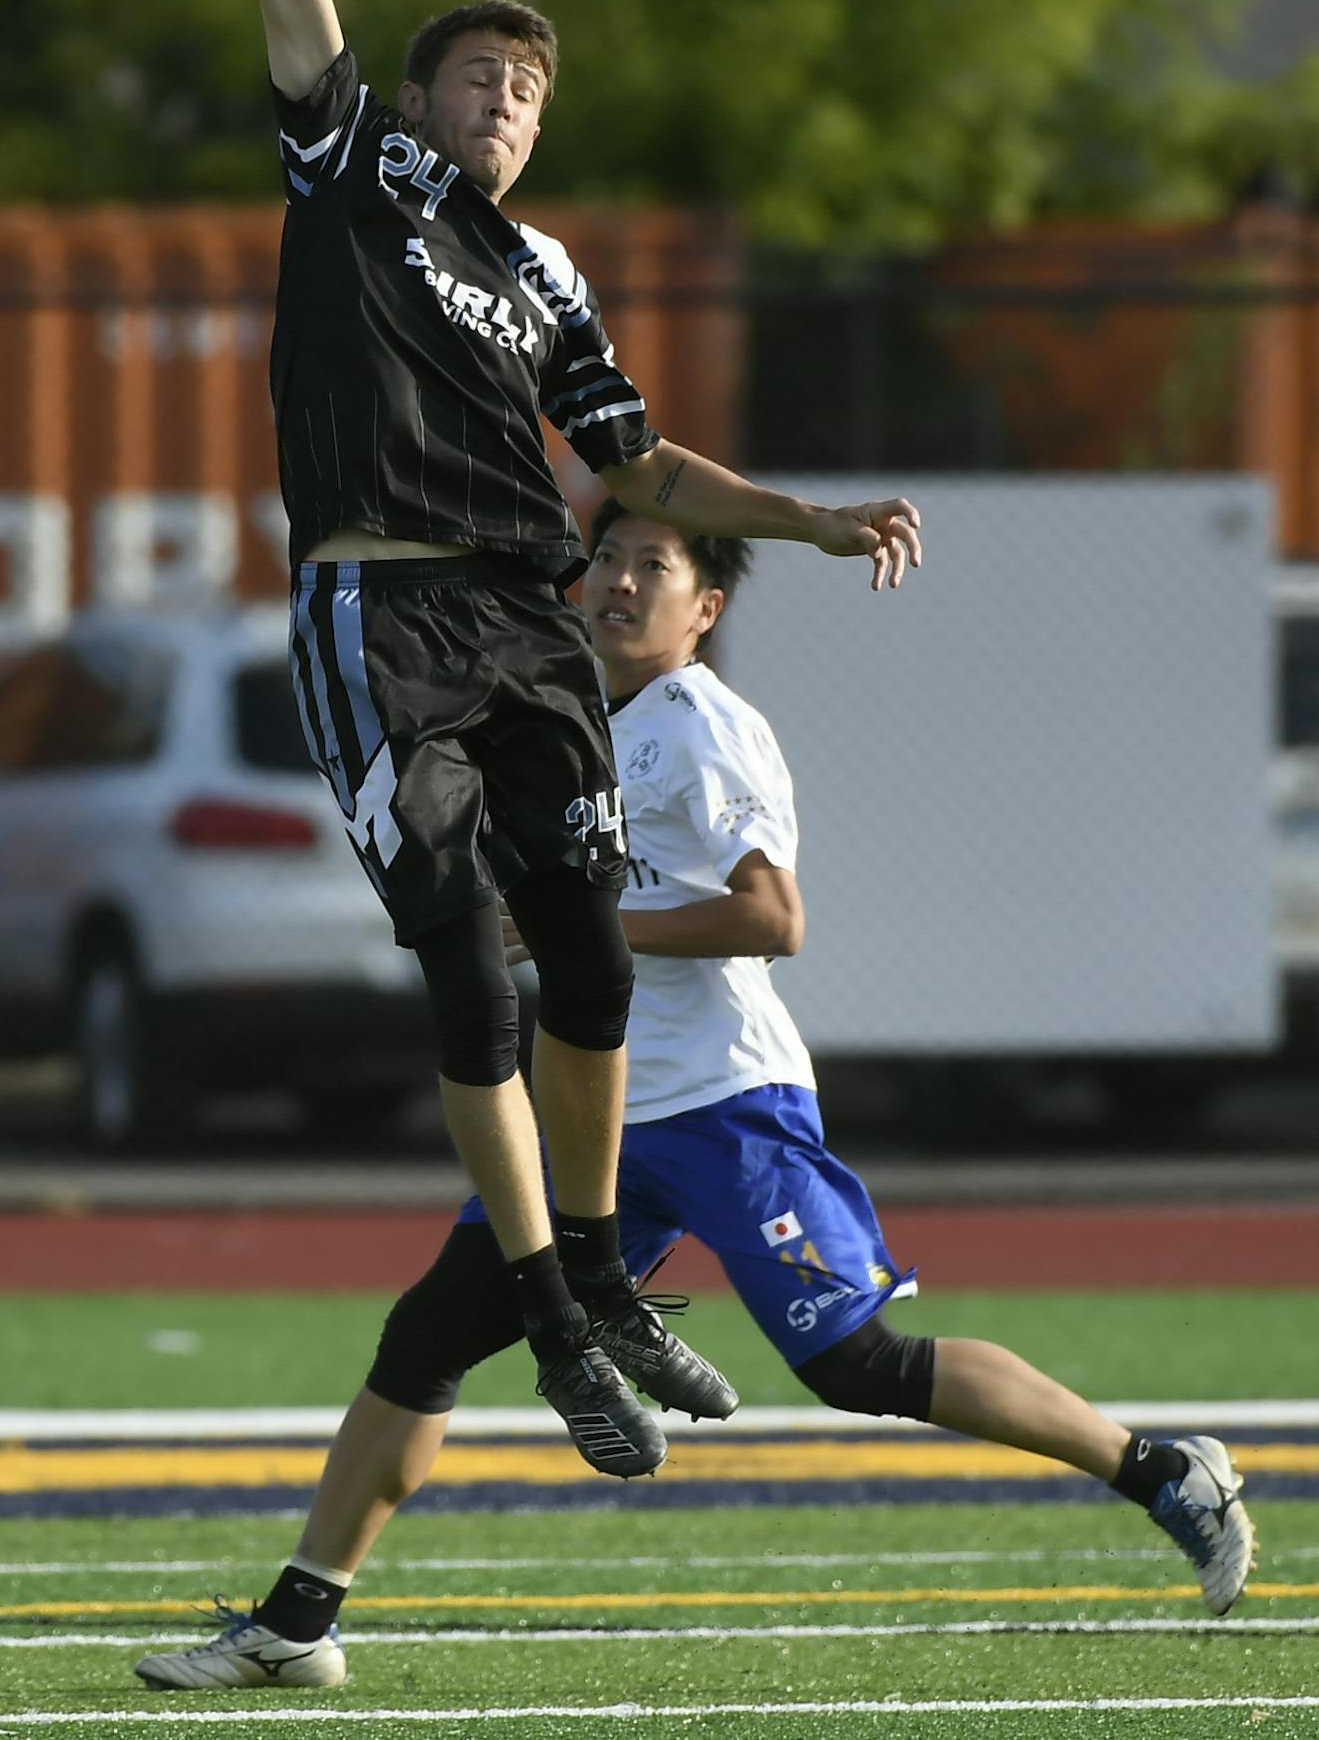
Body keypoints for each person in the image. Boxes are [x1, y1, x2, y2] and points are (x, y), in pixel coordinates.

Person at [145, 0, 923, 1482]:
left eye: (527, 86)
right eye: (479, 72)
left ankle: (591, 1272)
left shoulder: (553, 274)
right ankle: (560, 1307)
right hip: (380, 607)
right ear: (417, 99)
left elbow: (636, 457)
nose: (506, 97)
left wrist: (800, 517)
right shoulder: (351, 168)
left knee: (583, 960)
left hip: (520, 614)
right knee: (471, 977)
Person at [135, 501, 1256, 1693]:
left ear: (703, 610)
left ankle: (1158, 1470)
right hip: (593, 1108)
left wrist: (584, 923)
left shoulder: (700, 724)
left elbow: (775, 918)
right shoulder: (563, 717)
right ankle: (300, 1621)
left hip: (723, 1106)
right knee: (429, 1335)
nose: (616, 581)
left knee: (857, 1364)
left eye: (651, 566)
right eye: (606, 558)